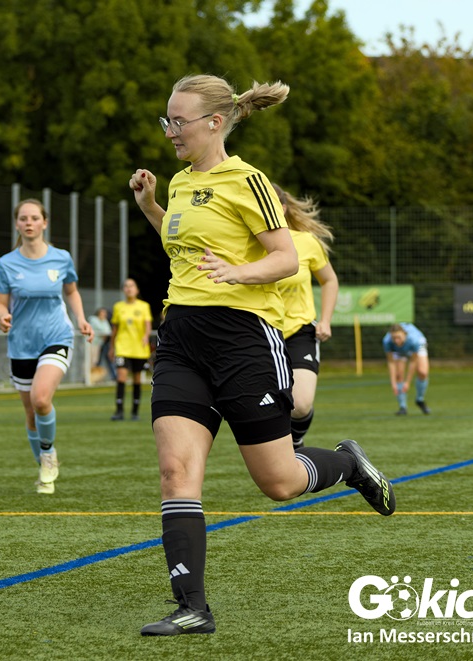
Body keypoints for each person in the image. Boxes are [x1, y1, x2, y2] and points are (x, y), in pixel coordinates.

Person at [129, 74, 396, 636]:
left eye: (178, 121)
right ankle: (192, 608)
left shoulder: (248, 180)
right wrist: (150, 205)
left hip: (242, 341)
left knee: (279, 482)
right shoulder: (180, 183)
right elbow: (181, 248)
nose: (170, 130)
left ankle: (348, 464)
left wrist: (239, 272)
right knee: (176, 472)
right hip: (180, 340)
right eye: (166, 120)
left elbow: (284, 259)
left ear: (214, 123)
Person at [0, 198, 94, 494]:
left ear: (44, 223)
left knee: (40, 399)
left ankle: (48, 455)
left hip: (56, 337)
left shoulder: (61, 258)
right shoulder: (6, 263)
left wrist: (81, 319)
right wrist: (2, 316)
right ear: (17, 224)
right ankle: (44, 466)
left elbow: (71, 291)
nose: (29, 223)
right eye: (23, 218)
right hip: (22, 344)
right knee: (30, 413)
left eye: (35, 218)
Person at [272, 185, 339, 448]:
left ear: (283, 208)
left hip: (299, 330)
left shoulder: (305, 242)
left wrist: (325, 320)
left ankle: (295, 444)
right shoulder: (243, 243)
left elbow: (329, 280)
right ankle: (277, 454)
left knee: (300, 405)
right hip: (260, 331)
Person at [109, 278, 152, 421]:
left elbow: (147, 325)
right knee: (121, 377)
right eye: (126, 286)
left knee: (137, 379)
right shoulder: (118, 306)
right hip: (122, 347)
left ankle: (135, 411)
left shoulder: (144, 306)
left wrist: (146, 336)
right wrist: (111, 347)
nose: (129, 288)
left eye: (132, 286)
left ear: (137, 290)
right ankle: (119, 411)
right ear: (123, 290)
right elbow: (115, 329)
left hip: (139, 348)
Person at [383, 322, 430, 415]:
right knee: (399, 375)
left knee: (423, 372)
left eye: (399, 337)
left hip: (419, 345)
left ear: (404, 334)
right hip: (399, 350)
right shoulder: (387, 341)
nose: (396, 341)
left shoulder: (414, 340)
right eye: (394, 338)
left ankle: (419, 399)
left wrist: (407, 382)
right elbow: (391, 362)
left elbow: (413, 362)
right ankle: (402, 407)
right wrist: (393, 383)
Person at [87, 307, 114, 383]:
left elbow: (108, 331)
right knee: (90, 361)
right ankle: (87, 378)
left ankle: (92, 379)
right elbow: (103, 330)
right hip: (90, 344)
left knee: (95, 361)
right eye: (102, 313)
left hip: (98, 344)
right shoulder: (93, 320)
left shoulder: (104, 321)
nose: (104, 315)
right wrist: (105, 332)